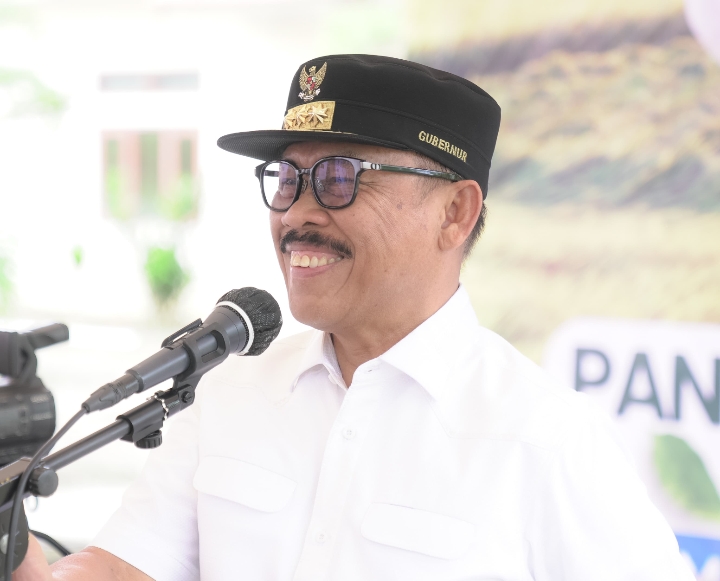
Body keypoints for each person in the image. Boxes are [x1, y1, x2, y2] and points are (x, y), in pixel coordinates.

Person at [16, 54, 693, 581]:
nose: (297, 214)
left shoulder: (545, 438)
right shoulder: (232, 392)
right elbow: (125, 566)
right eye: (286, 179)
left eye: (339, 178)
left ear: (455, 212)